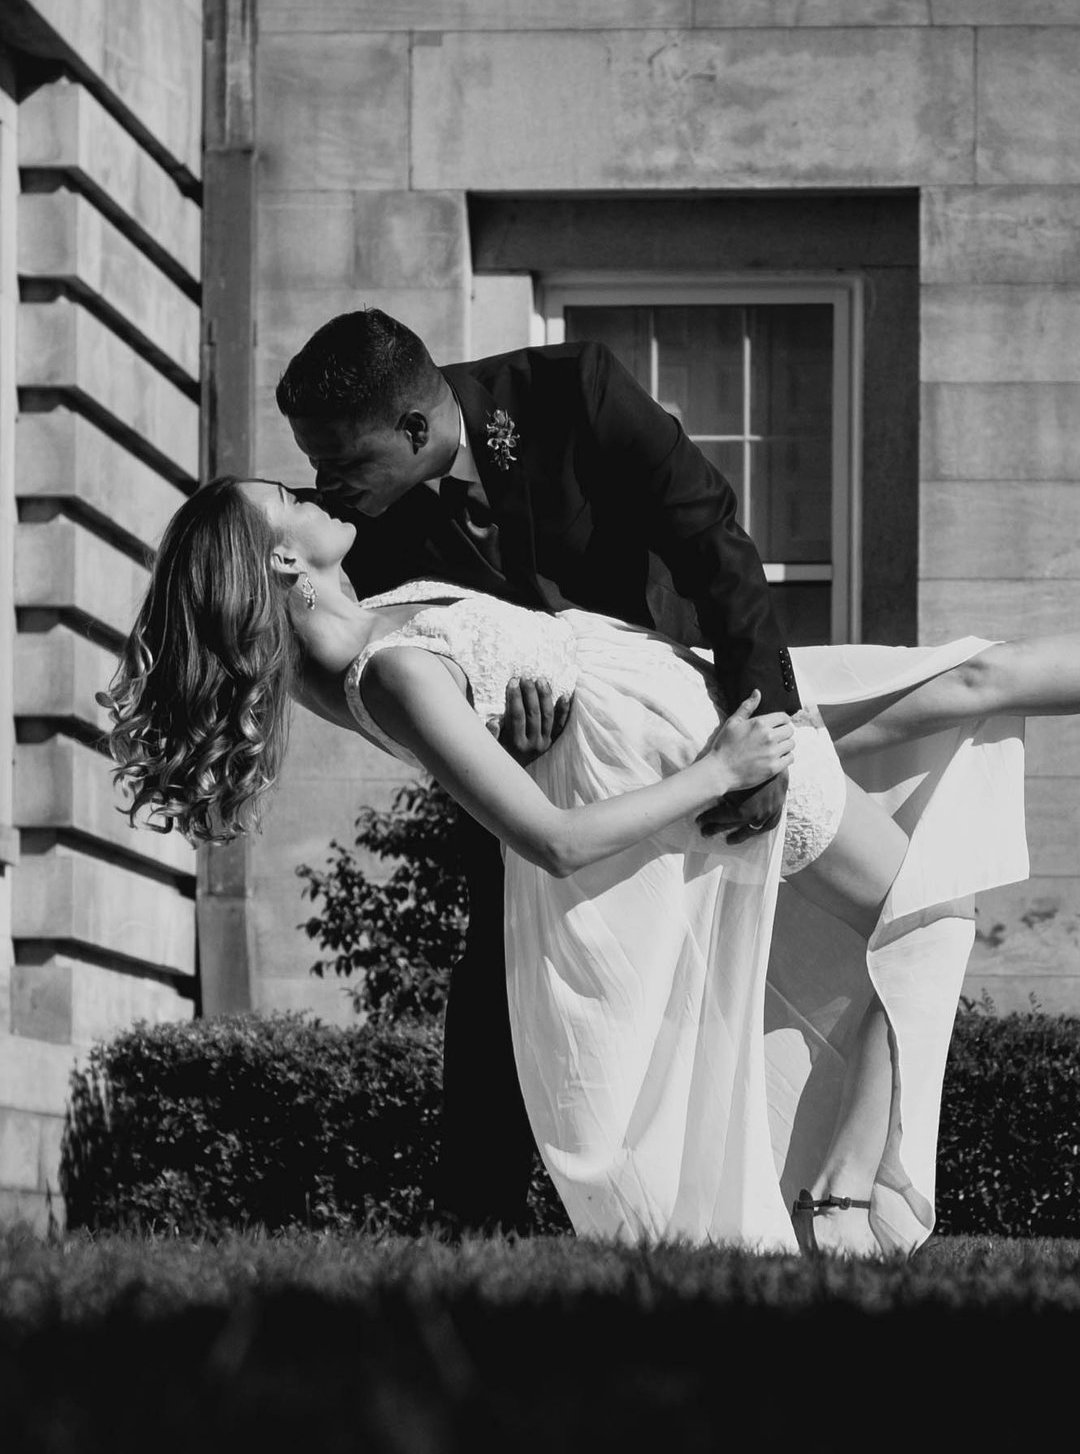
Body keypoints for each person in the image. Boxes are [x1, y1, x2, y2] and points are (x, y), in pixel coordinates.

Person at [103, 471, 1080, 1253]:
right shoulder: (382, 668)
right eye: (290, 501)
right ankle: (853, 1197)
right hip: (684, 736)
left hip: (679, 688)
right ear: (278, 559)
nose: (317, 493)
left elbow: (487, 691)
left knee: (969, 675)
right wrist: (715, 773)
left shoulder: (360, 634)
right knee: (923, 914)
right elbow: (539, 833)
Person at [275, 307, 799, 1230]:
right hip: (531, 787)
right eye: (315, 466)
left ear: (415, 428)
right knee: (499, 989)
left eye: (343, 464)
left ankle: (791, 1192)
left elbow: (711, 539)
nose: (326, 488)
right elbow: (413, 693)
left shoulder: (574, 393)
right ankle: (473, 1227)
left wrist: (766, 730)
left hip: (680, 730)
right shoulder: (365, 536)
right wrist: (501, 746)